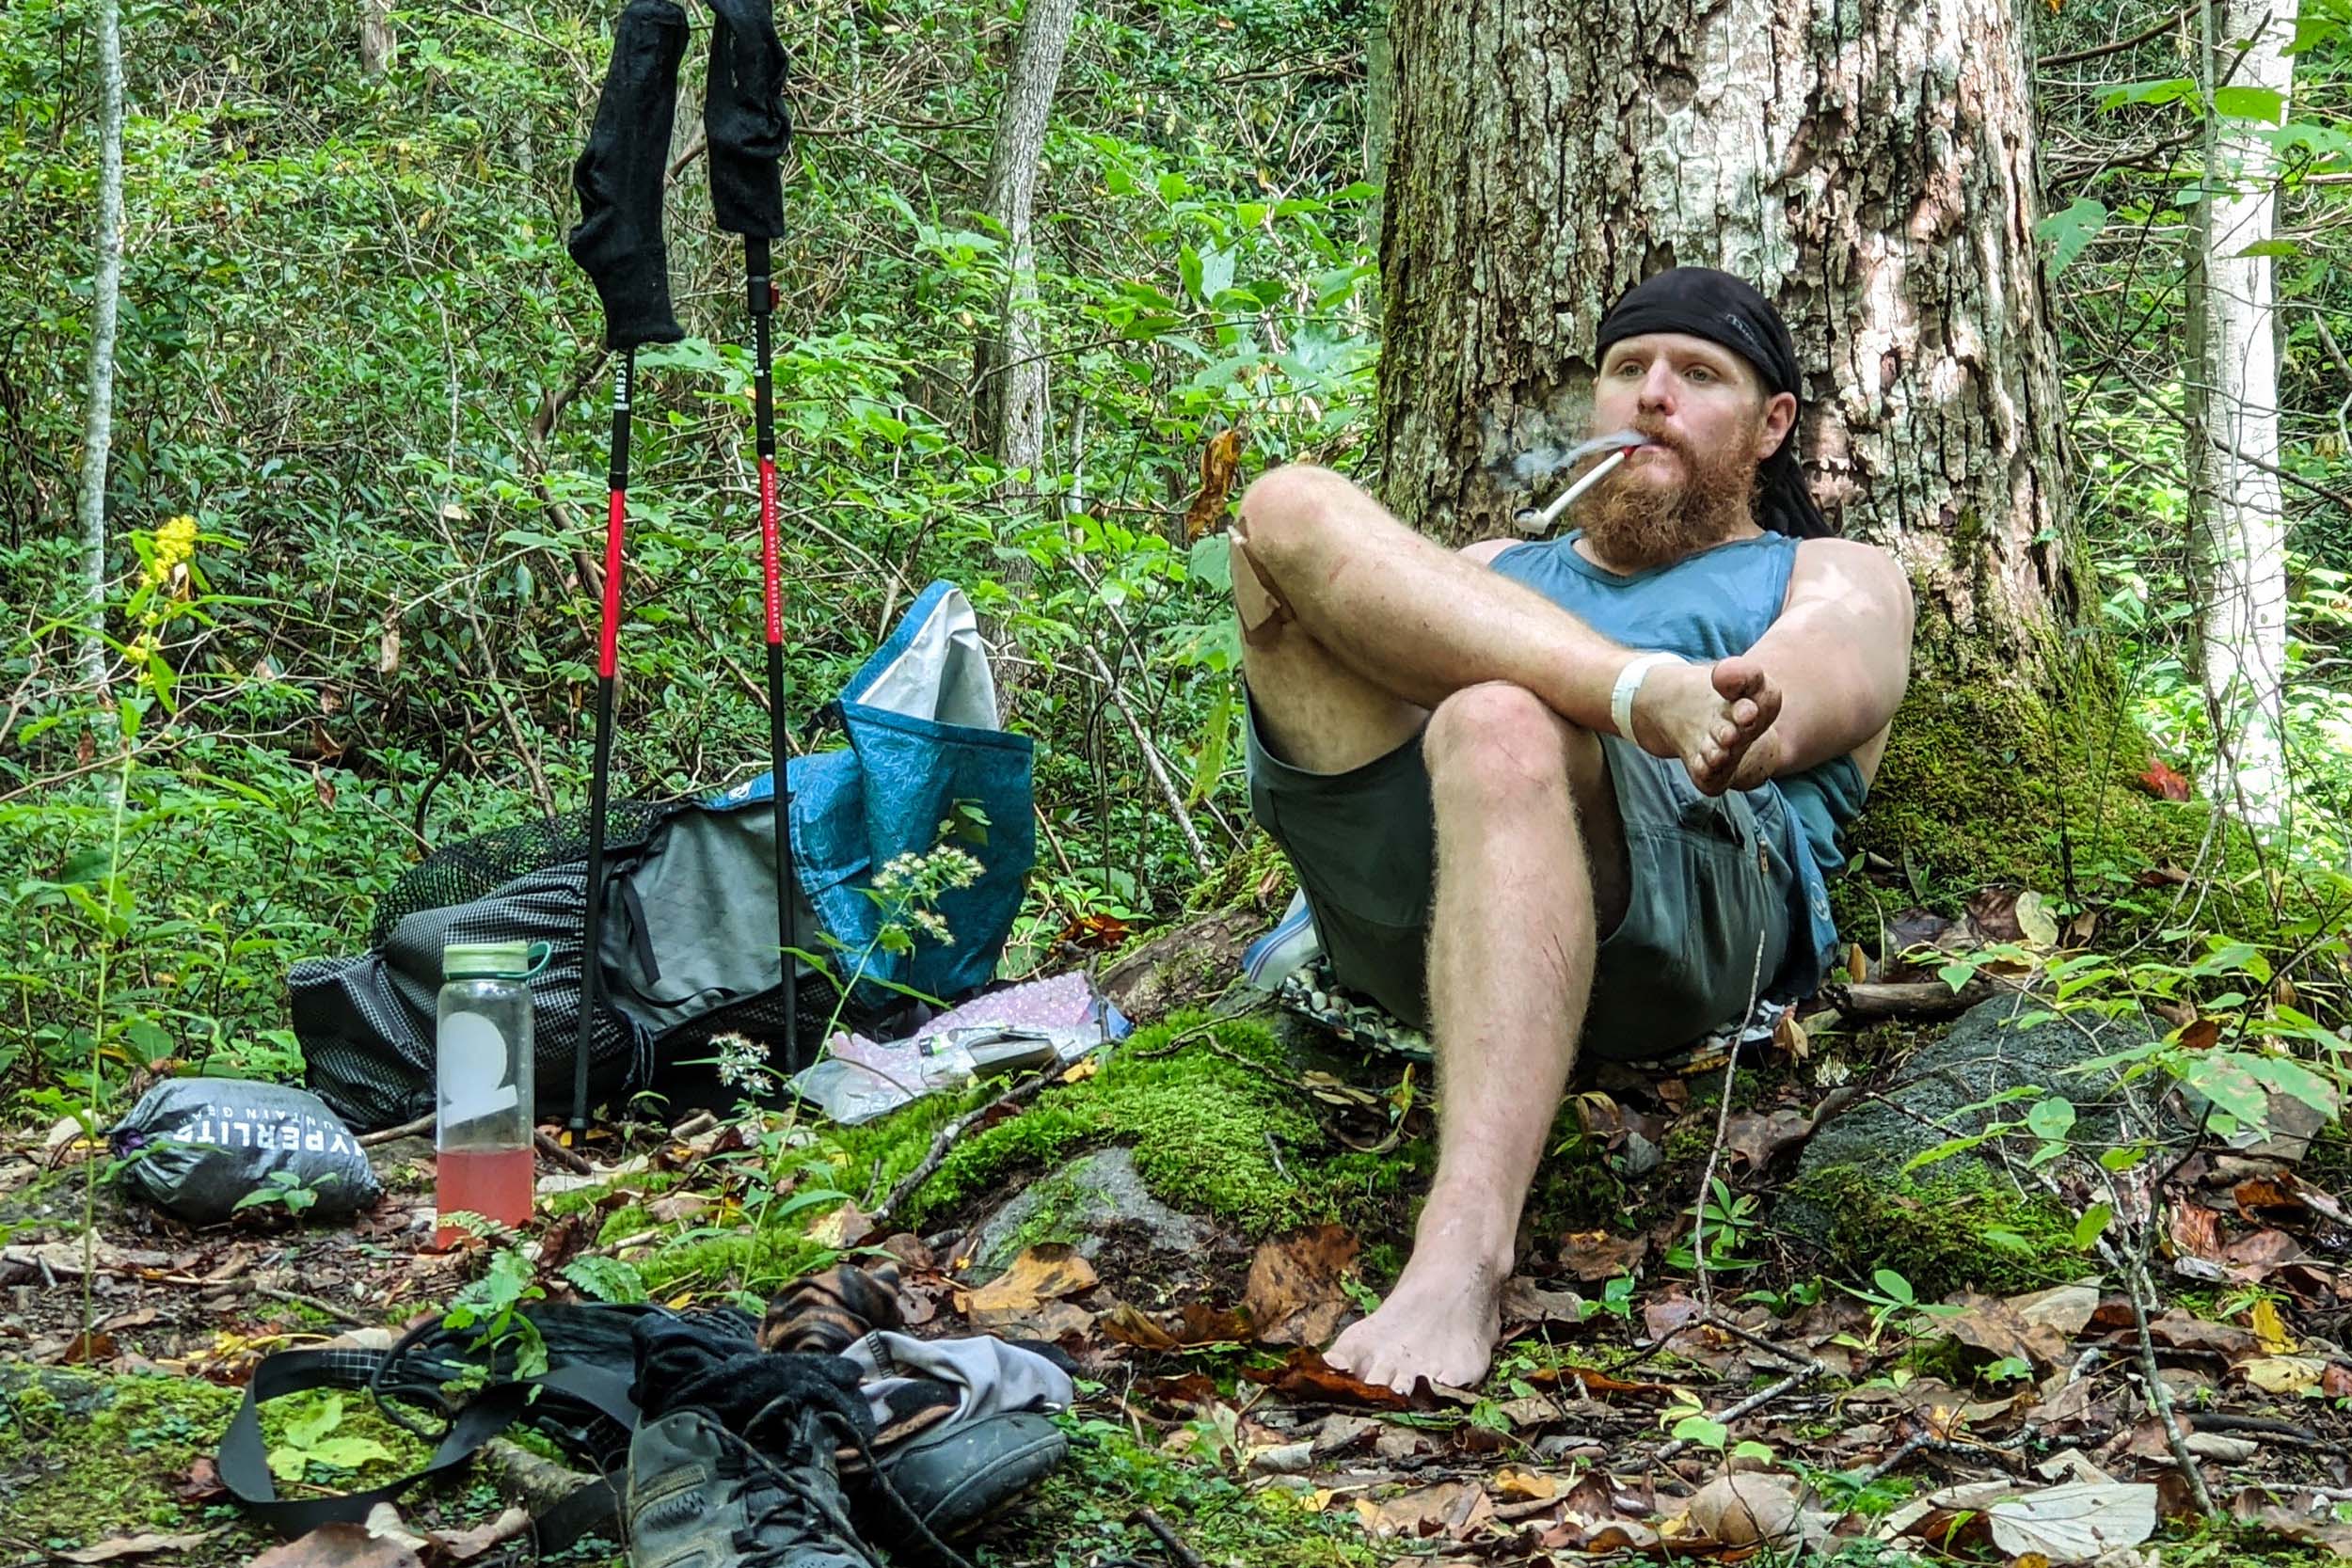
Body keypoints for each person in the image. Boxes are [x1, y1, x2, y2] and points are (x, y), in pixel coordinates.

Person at [1228, 266, 1915, 1394]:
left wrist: (1688, 705)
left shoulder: (1828, 572)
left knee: (1497, 716)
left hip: (1685, 914)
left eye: (1699, 375)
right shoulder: (1495, 571)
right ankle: (1627, 684)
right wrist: (1632, 687)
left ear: (1770, 424)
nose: (1653, 397)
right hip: (1420, 912)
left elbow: (1779, 707)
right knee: (1285, 509)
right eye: (1626, 371)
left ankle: (1459, 1258)